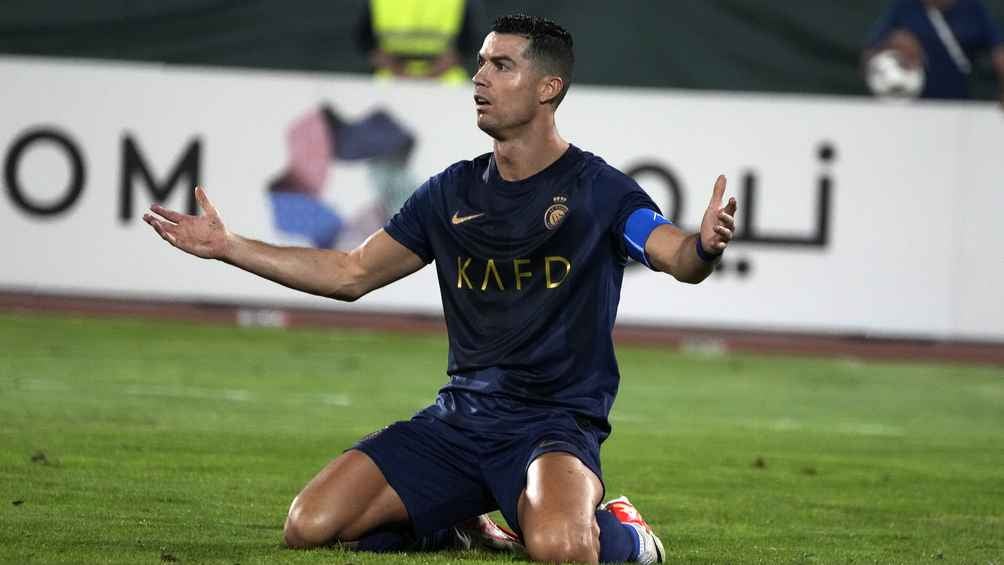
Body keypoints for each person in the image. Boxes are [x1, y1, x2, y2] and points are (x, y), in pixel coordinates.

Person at [143, 14, 737, 564]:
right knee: (310, 526)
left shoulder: (598, 189)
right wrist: (230, 246)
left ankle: (628, 533)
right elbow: (351, 273)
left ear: (548, 88)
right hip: (459, 420)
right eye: (480, 63)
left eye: (501, 65)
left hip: (552, 427)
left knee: (561, 548)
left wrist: (703, 246)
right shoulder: (449, 192)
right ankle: (457, 522)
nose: (479, 78)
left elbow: (675, 255)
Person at [864, 0, 1004, 103]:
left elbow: (999, 51)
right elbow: (869, 55)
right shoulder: (904, 7)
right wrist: (892, 43)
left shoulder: (972, 8)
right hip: (912, 106)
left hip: (963, 106)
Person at [356, 0, 484, 84]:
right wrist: (402, 74)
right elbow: (366, 42)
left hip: (444, 77)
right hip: (390, 76)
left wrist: (427, 76)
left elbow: (466, 46)